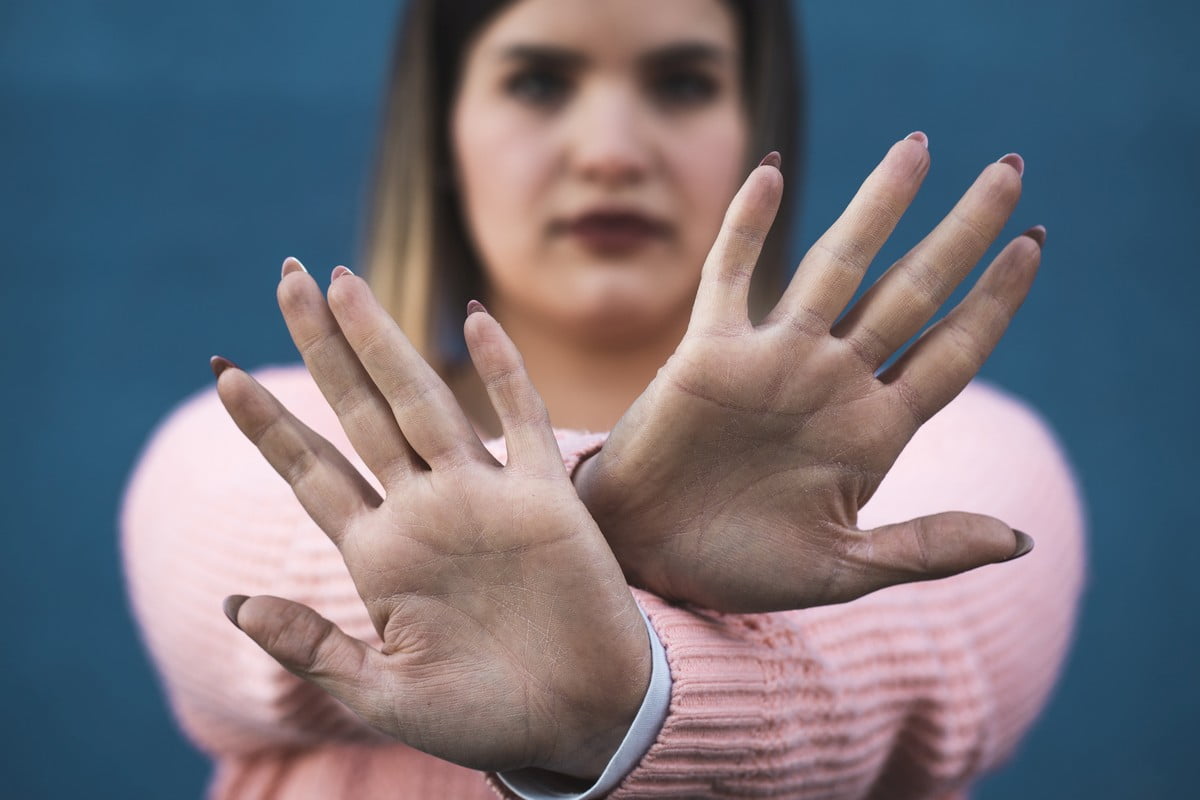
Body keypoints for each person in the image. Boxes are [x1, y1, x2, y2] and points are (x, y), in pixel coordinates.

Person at [120, 0, 1087, 797]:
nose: (613, 150)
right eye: (538, 80)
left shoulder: (974, 453)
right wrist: (617, 520)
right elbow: (225, 617)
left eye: (681, 82)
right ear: (445, 131)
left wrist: (590, 622)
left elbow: (905, 672)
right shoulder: (262, 441)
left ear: (757, 121)